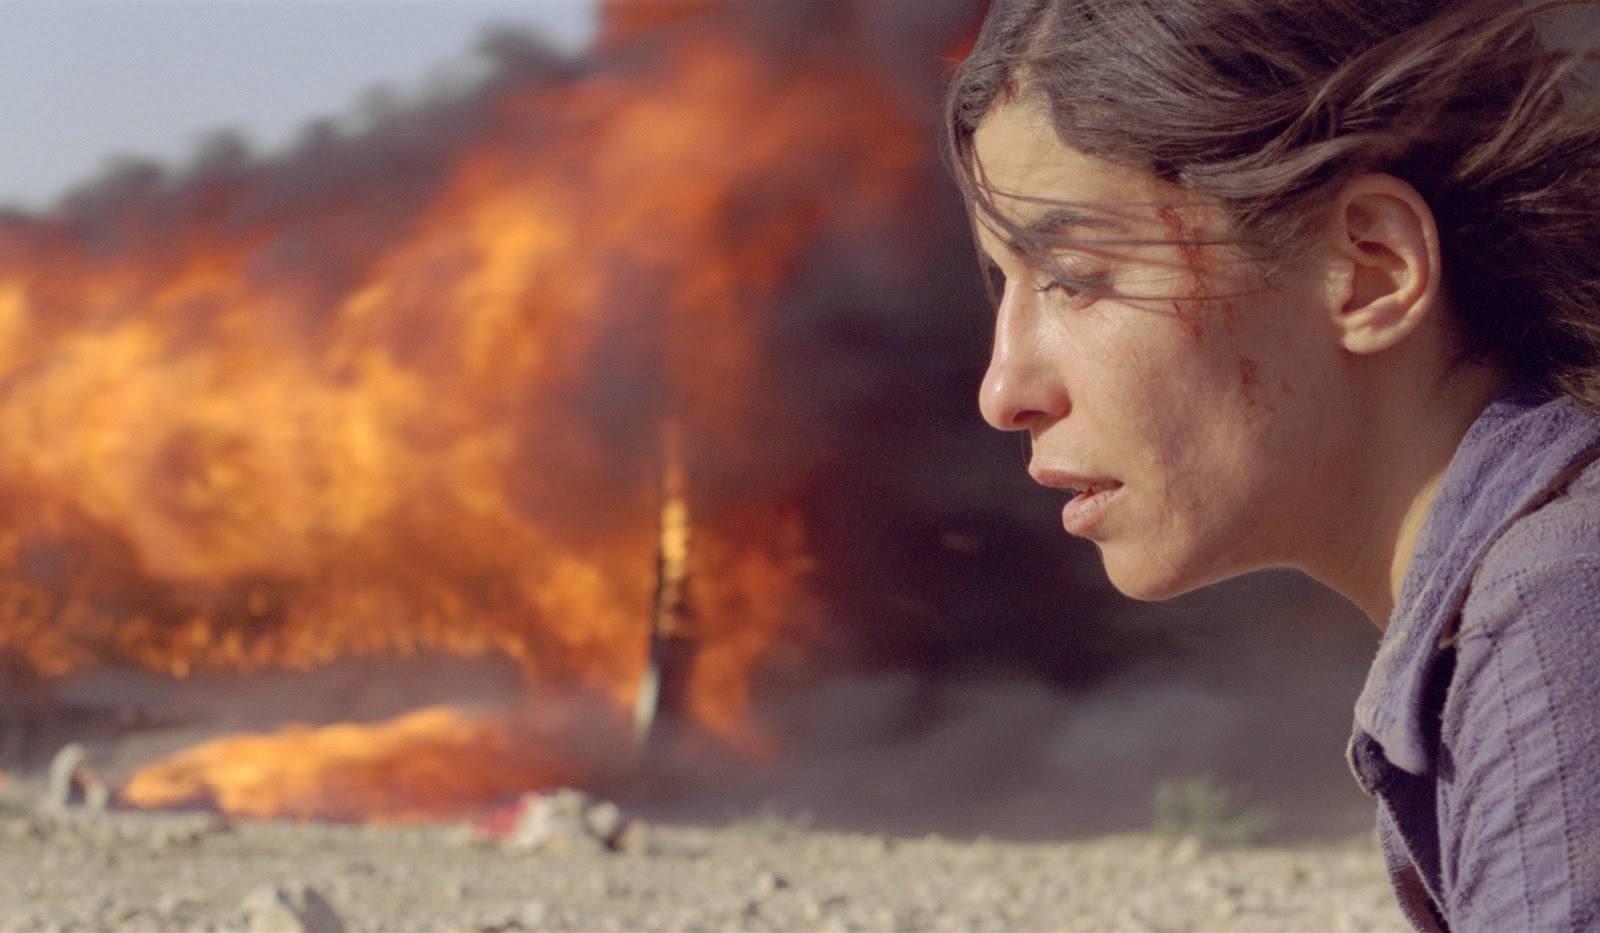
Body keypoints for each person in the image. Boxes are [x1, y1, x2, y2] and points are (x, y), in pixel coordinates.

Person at [944, 0, 1600, 928]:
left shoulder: (1557, 625)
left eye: (1076, 277)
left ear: (1371, 267)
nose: (1004, 390)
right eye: (1001, 284)